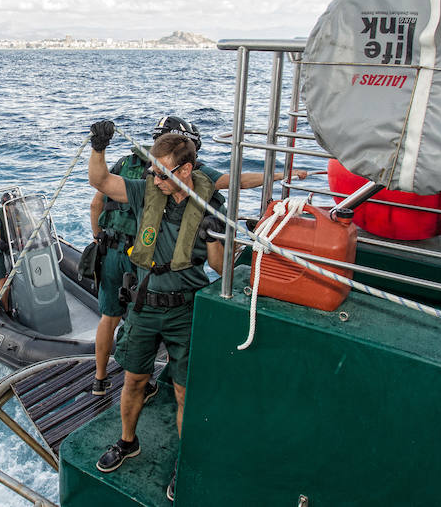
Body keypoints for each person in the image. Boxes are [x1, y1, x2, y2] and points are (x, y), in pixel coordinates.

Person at [88, 115, 307, 398]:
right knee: (151, 309)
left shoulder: (127, 163)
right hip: (141, 257)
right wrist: (278, 176)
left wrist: (97, 238)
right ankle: (162, 375)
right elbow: (235, 181)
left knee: (110, 316)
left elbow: (98, 199)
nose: (158, 178)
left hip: (114, 250)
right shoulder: (185, 176)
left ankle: (100, 379)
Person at [87, 120, 226, 502]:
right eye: (152, 169)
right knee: (133, 380)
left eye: (161, 172)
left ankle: (186, 460)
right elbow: (100, 183)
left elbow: (219, 267)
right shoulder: (147, 191)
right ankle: (127, 442)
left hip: (185, 311)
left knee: (183, 393)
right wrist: (98, 147)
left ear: (185, 171)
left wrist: (215, 237)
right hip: (145, 305)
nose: (154, 177)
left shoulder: (209, 203)